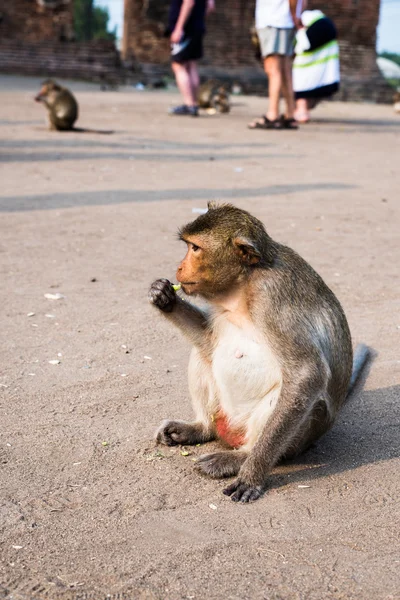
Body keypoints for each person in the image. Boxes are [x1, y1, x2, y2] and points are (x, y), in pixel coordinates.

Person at [248, 0, 301, 130]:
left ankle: (272, 114)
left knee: (273, 70)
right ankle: (290, 114)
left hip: (272, 20)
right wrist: (295, 16)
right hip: (284, 21)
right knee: (285, 70)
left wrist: (294, 15)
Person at [167, 0, 215, 116]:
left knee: (178, 65)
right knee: (191, 65)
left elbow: (189, 2)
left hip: (186, 29)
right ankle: (193, 104)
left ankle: (189, 105)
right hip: (197, 26)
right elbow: (210, 6)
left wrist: (179, 28)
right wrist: (198, 19)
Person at [293, 10, 340, 123]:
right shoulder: (319, 18)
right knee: (317, 82)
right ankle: (303, 109)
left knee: (300, 78)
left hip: (310, 31)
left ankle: (301, 111)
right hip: (327, 29)